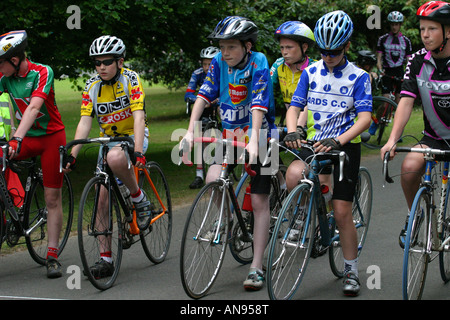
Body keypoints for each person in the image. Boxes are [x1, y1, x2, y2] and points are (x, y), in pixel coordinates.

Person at [181, 16, 276, 291]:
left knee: (259, 201)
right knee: (213, 179)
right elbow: (204, 94)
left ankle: (256, 266)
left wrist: (256, 140)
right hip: (230, 135)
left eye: (231, 47)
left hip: (261, 135)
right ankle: (227, 220)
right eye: (222, 47)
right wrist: (190, 131)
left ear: (247, 46)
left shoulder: (259, 61)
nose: (224, 53)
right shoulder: (221, 64)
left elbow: (259, 101)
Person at [283, 11, 372, 296]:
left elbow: (364, 119)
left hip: (345, 146)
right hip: (315, 142)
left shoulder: (359, 77)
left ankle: (351, 270)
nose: (329, 55)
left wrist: (339, 140)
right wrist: (292, 130)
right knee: (294, 175)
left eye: (334, 51)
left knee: (342, 211)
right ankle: (302, 219)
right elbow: (294, 107)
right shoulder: (310, 73)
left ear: (346, 45)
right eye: (324, 51)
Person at [63, 35, 150, 279]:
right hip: (107, 140)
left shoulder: (131, 79)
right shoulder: (91, 86)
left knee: (115, 158)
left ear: (120, 62)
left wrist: (139, 151)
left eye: (107, 62)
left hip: (134, 135)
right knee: (101, 197)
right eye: (97, 63)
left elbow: (139, 116)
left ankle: (139, 198)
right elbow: (84, 122)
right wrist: (73, 155)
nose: (101, 67)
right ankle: (105, 259)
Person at [380, 1, 450, 248]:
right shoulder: (417, 60)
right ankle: (415, 214)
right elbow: (406, 102)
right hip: (433, 137)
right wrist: (392, 139)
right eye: (422, 29)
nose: (425, 35)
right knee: (409, 167)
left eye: (432, 29)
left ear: (448, 31)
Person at [0, 30, 66, 278]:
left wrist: (17, 138)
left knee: (51, 198)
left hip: (50, 138)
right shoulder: (5, 77)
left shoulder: (42, 72)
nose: (0, 68)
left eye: (1, 63)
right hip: (26, 138)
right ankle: (11, 211)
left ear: (15, 60)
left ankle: (52, 255)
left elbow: (35, 106)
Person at [184, 46, 220, 189]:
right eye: (204, 64)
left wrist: (214, 101)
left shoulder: (222, 72)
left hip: (217, 104)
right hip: (203, 105)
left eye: (209, 64)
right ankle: (199, 174)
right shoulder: (197, 73)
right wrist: (200, 100)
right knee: (199, 137)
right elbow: (188, 94)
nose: (206, 67)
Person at [270, 21, 316, 129]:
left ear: (304, 47)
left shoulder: (315, 67)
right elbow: (265, 90)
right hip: (292, 124)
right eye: (282, 47)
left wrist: (299, 127)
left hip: (314, 126)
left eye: (289, 47)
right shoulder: (278, 65)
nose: (284, 52)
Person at [373, 11, 412, 134]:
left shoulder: (406, 41)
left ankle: (398, 132)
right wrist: (380, 70)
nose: (394, 27)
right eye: (392, 24)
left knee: (399, 105)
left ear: (400, 25)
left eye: (397, 24)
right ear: (390, 25)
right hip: (387, 73)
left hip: (400, 73)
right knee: (385, 103)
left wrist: (408, 73)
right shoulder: (383, 39)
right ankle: (374, 125)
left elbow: (408, 60)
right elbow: (379, 58)